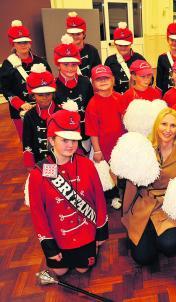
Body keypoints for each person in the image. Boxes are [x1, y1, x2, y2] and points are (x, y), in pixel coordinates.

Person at [28, 108, 108, 276]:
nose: (70, 145)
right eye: (64, 140)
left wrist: (100, 232)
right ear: (51, 140)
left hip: (86, 232)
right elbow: (37, 212)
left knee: (83, 269)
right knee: (59, 271)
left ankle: (90, 246)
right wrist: (49, 245)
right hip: (58, 236)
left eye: (74, 140)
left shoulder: (87, 165)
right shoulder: (38, 173)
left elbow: (99, 199)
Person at [121, 108, 176, 269]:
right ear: (157, 125)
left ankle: (165, 235)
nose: (168, 130)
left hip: (169, 207)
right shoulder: (144, 149)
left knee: (171, 246)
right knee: (143, 257)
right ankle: (148, 236)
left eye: (173, 125)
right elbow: (125, 176)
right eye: (164, 124)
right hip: (144, 204)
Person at [0, 20, 52, 141]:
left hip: (43, 107)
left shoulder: (41, 62)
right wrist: (20, 104)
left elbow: (50, 83)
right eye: (19, 42)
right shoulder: (8, 65)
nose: (23, 45)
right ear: (13, 44)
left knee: (46, 139)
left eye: (26, 42)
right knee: (28, 141)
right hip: (20, 110)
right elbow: (5, 89)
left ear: (30, 43)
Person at [85, 65, 125, 209]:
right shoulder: (93, 104)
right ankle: (113, 195)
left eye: (106, 78)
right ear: (93, 83)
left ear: (113, 80)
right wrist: (97, 150)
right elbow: (92, 131)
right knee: (108, 171)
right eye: (98, 79)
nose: (103, 81)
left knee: (121, 169)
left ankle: (124, 193)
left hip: (120, 143)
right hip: (104, 145)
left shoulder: (119, 98)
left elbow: (125, 120)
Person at [54, 34, 94, 154]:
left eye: (73, 65)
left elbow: (91, 108)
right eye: (65, 65)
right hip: (64, 137)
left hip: (85, 134)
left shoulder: (85, 82)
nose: (70, 68)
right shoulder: (53, 85)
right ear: (58, 64)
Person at [22, 64, 58, 169]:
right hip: (39, 162)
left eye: (48, 94)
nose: (44, 98)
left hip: (60, 161)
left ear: (53, 93)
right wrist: (29, 165)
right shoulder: (29, 116)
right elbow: (27, 141)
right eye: (40, 95)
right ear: (33, 95)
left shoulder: (61, 112)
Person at [104, 22, 145, 94]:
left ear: (131, 43)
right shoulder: (109, 61)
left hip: (135, 98)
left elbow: (149, 80)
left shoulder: (139, 59)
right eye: (120, 45)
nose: (123, 48)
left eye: (126, 45)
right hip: (117, 99)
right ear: (115, 44)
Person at [65, 11, 102, 78]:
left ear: (84, 34)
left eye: (78, 34)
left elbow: (98, 72)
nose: (75, 37)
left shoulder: (92, 51)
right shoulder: (63, 51)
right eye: (72, 34)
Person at [156, 19, 176, 93]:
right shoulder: (162, 58)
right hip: (166, 94)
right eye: (172, 40)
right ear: (167, 39)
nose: (174, 43)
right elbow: (159, 81)